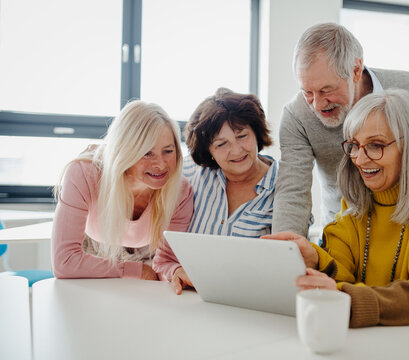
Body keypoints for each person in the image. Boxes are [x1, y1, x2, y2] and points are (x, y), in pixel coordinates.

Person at [264, 89, 409, 354]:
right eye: (354, 145)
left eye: (376, 145)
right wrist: (315, 259)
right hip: (393, 339)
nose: (360, 158)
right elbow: (344, 275)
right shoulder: (357, 201)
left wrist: (347, 299)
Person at [272, 22, 409, 237]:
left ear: (356, 70)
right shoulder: (296, 115)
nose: (317, 104)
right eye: (307, 92)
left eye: (326, 90)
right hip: (344, 237)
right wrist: (287, 249)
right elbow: (293, 192)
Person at [52, 100, 194, 284]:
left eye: (168, 151)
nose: (160, 164)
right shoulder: (84, 173)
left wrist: (175, 272)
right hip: (92, 254)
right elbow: (64, 261)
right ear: (125, 152)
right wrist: (136, 269)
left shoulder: (180, 192)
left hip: (147, 255)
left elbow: (165, 262)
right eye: (147, 153)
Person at [155, 87, 277, 294]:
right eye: (222, 144)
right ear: (209, 151)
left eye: (242, 136)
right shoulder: (189, 174)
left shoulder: (285, 188)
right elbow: (163, 258)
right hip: (189, 302)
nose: (237, 151)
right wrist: (175, 271)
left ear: (256, 133)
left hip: (250, 302)